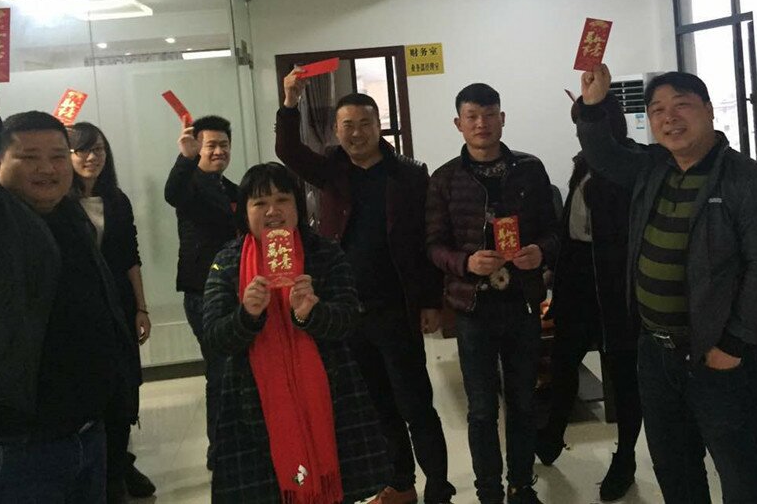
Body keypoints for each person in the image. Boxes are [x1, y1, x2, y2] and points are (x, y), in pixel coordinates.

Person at [577, 65, 757, 504]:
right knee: (674, 467)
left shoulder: (748, 181)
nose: (669, 118)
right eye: (657, 110)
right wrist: (594, 106)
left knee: (741, 472)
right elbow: (604, 156)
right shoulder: (654, 168)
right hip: (657, 353)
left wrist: (732, 345)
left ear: (709, 110)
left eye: (681, 106)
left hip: (718, 357)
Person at [0, 65, 138, 503]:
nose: (47, 167)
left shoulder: (69, 216)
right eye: (28, 156)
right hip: (10, 445)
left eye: (58, 156)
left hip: (82, 432)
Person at [276, 70, 456, 504]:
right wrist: (290, 103)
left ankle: (438, 485)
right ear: (337, 131)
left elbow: (425, 243)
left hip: (396, 309)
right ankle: (401, 484)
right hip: (348, 312)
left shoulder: (409, 175)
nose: (356, 133)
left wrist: (431, 302)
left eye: (365, 124)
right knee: (378, 405)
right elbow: (287, 150)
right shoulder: (331, 170)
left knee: (415, 404)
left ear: (380, 126)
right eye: (347, 126)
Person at [202, 162, 391, 503]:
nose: (272, 211)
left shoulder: (325, 253)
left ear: (298, 206)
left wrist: (312, 313)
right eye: (260, 203)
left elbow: (349, 319)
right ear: (244, 211)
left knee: (336, 487)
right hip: (252, 403)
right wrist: (246, 315)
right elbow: (214, 338)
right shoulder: (227, 262)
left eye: (282, 200)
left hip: (331, 394)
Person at [425, 83, 559, 504]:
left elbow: (554, 232)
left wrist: (541, 252)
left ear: (502, 119)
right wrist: (466, 263)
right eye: (472, 116)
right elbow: (433, 245)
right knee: (481, 408)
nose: (481, 123)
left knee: (522, 401)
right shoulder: (445, 178)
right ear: (458, 124)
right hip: (473, 308)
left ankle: (521, 484)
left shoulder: (530, 169)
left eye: (489, 114)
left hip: (522, 303)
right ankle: (488, 491)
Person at [535, 94, 642, 502]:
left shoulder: (631, 162)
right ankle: (552, 435)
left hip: (616, 283)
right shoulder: (583, 163)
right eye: (578, 122)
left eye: (586, 121)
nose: (581, 130)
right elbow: (571, 227)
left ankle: (625, 458)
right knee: (564, 362)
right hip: (578, 277)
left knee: (622, 375)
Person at [68, 122, 156, 502]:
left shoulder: (116, 200)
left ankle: (119, 464)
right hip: (82, 311)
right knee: (96, 389)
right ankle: (106, 471)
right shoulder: (60, 204)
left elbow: (130, 257)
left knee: (125, 387)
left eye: (99, 150)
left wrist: (141, 307)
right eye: (83, 150)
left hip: (119, 304)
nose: (92, 157)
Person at [164, 114, 238, 467]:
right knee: (220, 369)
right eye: (211, 146)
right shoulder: (190, 186)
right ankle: (220, 449)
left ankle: (238, 440)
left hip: (234, 289)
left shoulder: (231, 188)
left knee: (233, 367)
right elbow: (171, 193)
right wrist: (185, 157)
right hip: (203, 292)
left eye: (224, 145)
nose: (219, 151)